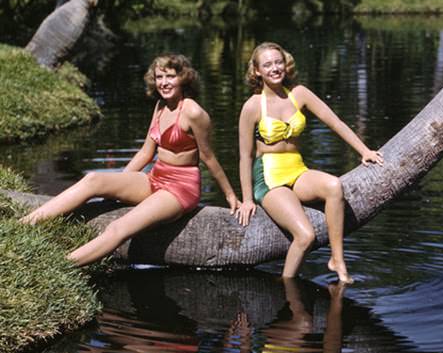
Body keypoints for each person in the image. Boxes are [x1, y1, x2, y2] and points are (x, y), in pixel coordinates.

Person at [20, 53, 240, 266]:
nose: (164, 82)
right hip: (156, 177)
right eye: (159, 77)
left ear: (184, 77)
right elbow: (146, 152)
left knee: (119, 227)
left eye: (170, 76)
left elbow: (209, 158)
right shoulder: (161, 106)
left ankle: (59, 266)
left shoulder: (193, 112)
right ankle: (23, 225)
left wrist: (231, 196)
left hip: (180, 189)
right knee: (94, 179)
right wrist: (119, 184)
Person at [237, 42, 383, 283]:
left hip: (297, 168)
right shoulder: (252, 106)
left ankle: (337, 259)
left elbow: (334, 122)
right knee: (305, 236)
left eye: (278, 62)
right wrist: (247, 199)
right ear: (257, 71)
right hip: (269, 177)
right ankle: (285, 285)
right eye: (267, 64)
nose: (275, 68)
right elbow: (245, 156)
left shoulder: (299, 94)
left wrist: (364, 150)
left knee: (334, 186)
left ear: (286, 63)